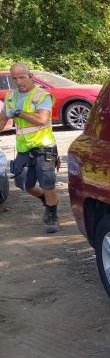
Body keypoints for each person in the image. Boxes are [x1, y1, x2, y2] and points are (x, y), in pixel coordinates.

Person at [0, 62, 60, 232]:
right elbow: (2, 120)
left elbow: (42, 119)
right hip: (24, 148)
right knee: (24, 183)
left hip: (44, 146)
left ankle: (52, 215)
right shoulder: (11, 97)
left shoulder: (42, 96)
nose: (19, 82)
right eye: (15, 78)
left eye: (22, 77)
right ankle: (46, 199)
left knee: (47, 183)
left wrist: (19, 113)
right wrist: (6, 116)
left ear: (30, 76)